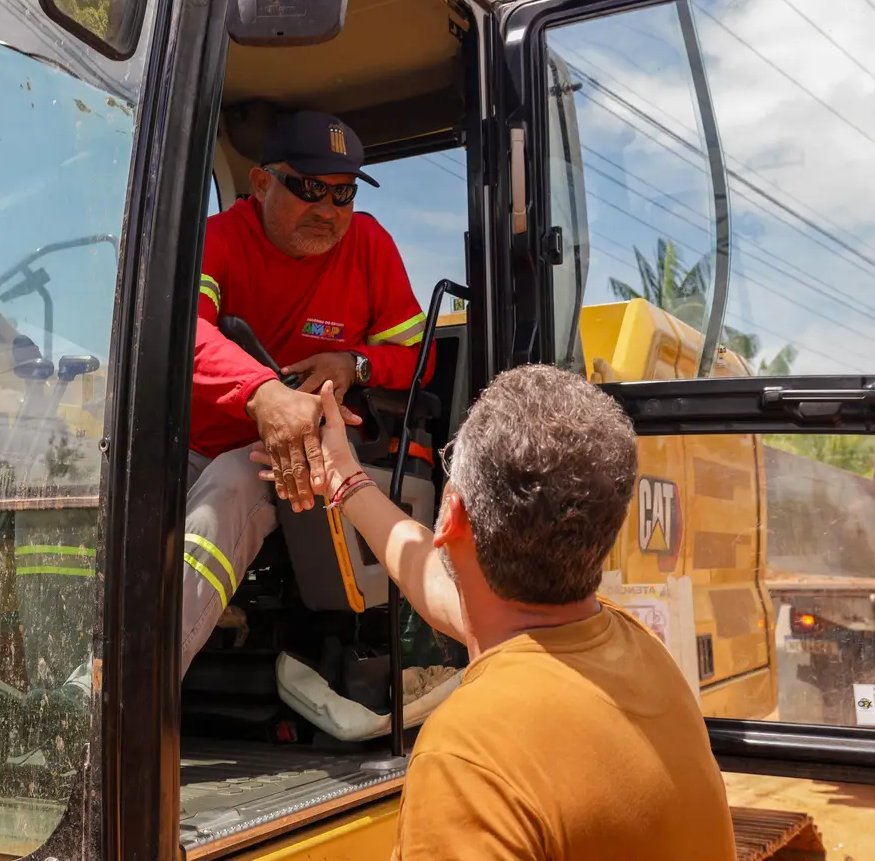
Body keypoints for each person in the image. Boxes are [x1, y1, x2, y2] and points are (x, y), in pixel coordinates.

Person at [255, 365, 736, 861]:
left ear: (451, 514)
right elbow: (436, 581)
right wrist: (345, 479)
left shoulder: (469, 754)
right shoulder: (638, 649)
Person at [181, 110, 435, 673]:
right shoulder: (219, 239)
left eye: (343, 194)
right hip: (199, 439)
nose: (329, 210)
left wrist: (355, 363)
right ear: (261, 183)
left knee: (231, 487)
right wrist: (263, 393)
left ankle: (121, 695)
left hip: (298, 453)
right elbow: (183, 329)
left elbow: (419, 356)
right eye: (310, 189)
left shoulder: (369, 245)